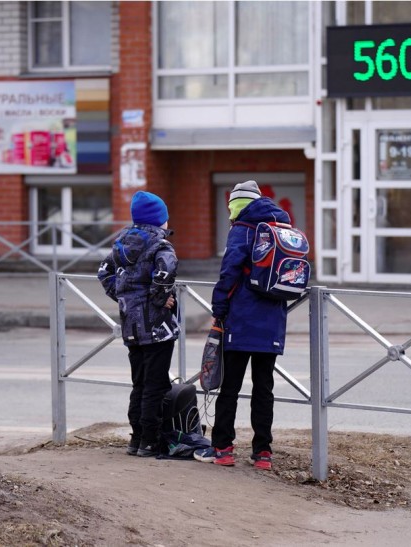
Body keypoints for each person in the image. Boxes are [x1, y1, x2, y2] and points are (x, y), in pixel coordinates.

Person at [194, 180, 288, 471]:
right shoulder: (282, 228)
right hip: (272, 320)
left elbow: (229, 272)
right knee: (264, 388)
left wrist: (218, 309)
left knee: (230, 387)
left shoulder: (242, 229)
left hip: (241, 319)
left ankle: (222, 449)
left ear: (236, 205)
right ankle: (263, 453)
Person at [98, 190, 179, 457]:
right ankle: (149, 441)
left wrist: (124, 297)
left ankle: (135, 439)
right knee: (156, 386)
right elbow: (165, 272)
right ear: (160, 220)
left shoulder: (122, 242)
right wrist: (159, 298)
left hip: (131, 326)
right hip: (156, 328)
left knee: (140, 384)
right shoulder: (160, 245)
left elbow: (104, 272)